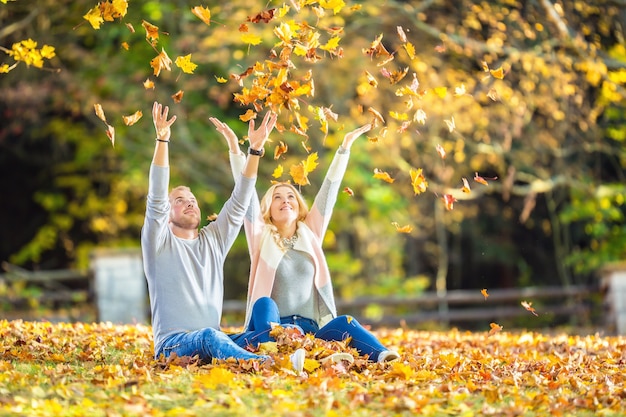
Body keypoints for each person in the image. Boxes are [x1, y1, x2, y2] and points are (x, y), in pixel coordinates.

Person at [210, 117, 400, 364]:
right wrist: (236, 150)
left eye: (290, 196)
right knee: (263, 303)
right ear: (267, 209)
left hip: (312, 330)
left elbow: (329, 192)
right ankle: (293, 355)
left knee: (346, 322)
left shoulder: (310, 233)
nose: (285, 200)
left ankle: (382, 355)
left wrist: (344, 148)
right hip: (275, 328)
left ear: (298, 206)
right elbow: (244, 194)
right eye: (277, 197)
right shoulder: (260, 237)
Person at [142, 101, 307, 368]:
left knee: (262, 308)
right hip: (172, 345)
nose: (190, 202)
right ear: (168, 214)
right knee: (210, 336)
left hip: (213, 341)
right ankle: (267, 364)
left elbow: (240, 201)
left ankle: (294, 354)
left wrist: (255, 150)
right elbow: (156, 197)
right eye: (180, 200)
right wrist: (162, 140)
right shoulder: (158, 243)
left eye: (192, 199)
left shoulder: (213, 241)